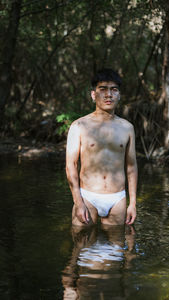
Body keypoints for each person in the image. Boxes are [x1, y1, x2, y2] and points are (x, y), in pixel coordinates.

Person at [66, 68, 137, 226]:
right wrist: (78, 202)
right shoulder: (79, 125)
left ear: (119, 95)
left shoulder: (127, 128)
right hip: (87, 197)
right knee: (81, 243)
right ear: (93, 94)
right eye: (103, 89)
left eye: (114, 90)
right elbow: (71, 165)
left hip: (117, 198)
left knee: (116, 246)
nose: (108, 94)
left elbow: (131, 167)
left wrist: (132, 204)